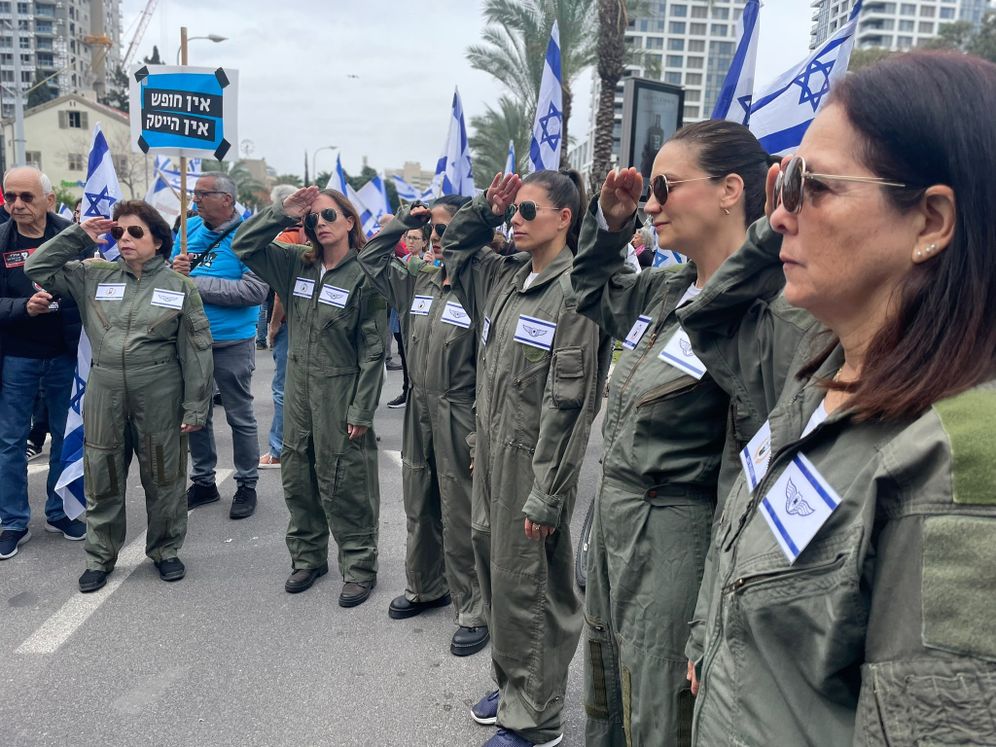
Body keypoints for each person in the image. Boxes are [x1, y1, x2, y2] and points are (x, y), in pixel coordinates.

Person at [686, 52, 996, 745]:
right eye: (782, 184)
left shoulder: (954, 470)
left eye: (811, 186)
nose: (782, 216)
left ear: (931, 222)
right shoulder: (822, 369)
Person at [571, 121, 781, 746]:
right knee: (609, 684)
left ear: (729, 191)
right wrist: (609, 228)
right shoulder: (668, 288)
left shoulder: (764, 306)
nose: (651, 203)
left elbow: (753, 469)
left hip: (677, 539)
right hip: (619, 519)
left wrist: (708, 607)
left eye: (664, 186)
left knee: (660, 706)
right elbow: (592, 291)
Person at [445, 170, 611, 747]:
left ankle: (536, 718)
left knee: (530, 586)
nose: (515, 219)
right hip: (491, 455)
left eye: (527, 210)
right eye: (512, 210)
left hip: (534, 463)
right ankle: (513, 680)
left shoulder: (575, 294)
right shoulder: (507, 281)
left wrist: (549, 490)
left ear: (565, 218)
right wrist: (483, 209)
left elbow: (570, 405)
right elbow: (457, 251)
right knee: (496, 577)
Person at [24, 200, 213, 592]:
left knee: (164, 476)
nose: (124, 239)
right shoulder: (93, 275)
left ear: (159, 240)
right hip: (104, 389)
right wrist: (80, 234)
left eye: (135, 232)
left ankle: (164, 550)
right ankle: (100, 556)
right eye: (118, 233)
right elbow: (36, 268)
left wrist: (197, 405)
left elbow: (196, 349)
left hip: (159, 391)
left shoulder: (180, 286)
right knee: (103, 474)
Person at [232, 186, 385, 607]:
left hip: (340, 388)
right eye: (313, 219)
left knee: (346, 482)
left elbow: (374, 351)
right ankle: (308, 557)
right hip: (298, 385)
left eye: (330, 216)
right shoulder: (295, 265)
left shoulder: (366, 274)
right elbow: (244, 245)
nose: (320, 224)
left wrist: (361, 408)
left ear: (350, 221)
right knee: (297, 474)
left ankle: (358, 566)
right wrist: (283, 214)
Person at [357, 193, 489, 657]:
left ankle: (475, 607)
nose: (436, 235)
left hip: (461, 407)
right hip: (419, 405)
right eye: (431, 227)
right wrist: (400, 223)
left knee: (462, 508)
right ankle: (426, 586)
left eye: (446, 226)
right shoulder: (421, 279)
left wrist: (479, 433)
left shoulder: (483, 284)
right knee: (420, 499)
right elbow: (371, 259)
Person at [171, 173, 267, 520]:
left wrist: (194, 282)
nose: (194, 199)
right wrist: (173, 271)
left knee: (240, 416)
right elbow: (170, 278)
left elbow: (254, 292)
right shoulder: (187, 230)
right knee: (197, 416)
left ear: (226, 199)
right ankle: (204, 481)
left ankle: (246, 483)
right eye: (194, 193)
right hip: (191, 341)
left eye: (202, 193)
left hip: (232, 342)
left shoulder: (248, 236)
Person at [0, 167, 82, 560]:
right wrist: (23, 308)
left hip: (66, 355)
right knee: (10, 442)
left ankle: (60, 511)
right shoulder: (0, 240)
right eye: (10, 197)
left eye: (26, 197)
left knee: (67, 439)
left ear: (49, 200)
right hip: (16, 357)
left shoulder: (72, 237)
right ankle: (13, 521)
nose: (17, 205)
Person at [257, 184, 300, 471]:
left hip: (291, 325)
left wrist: (273, 325)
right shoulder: (308, 237)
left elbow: (282, 292)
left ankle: (278, 448)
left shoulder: (286, 238)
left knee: (283, 389)